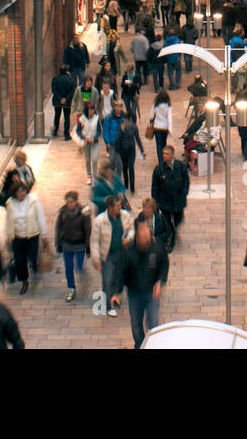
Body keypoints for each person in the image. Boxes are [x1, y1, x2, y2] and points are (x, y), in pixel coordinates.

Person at [120, 219, 169, 348]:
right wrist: (116, 291)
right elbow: (121, 272)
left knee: (153, 323)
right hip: (134, 293)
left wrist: (160, 282)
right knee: (136, 324)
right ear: (137, 234)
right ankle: (139, 345)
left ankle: (153, 345)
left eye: (147, 229)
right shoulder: (129, 252)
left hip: (151, 292)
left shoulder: (157, 246)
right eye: (142, 230)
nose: (146, 233)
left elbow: (164, 265)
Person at [90, 193, 134, 318]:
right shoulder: (100, 221)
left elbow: (132, 228)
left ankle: (115, 296)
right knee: (108, 279)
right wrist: (95, 258)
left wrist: (129, 238)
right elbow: (94, 241)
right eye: (118, 206)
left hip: (122, 252)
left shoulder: (125, 216)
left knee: (119, 278)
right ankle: (109, 305)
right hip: (107, 254)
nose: (120, 207)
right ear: (110, 208)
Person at [4, 182, 48, 295]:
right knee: (19, 260)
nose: (21, 193)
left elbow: (40, 217)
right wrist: (7, 235)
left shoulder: (33, 202)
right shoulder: (10, 204)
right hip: (18, 237)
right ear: (14, 193)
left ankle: (34, 264)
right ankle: (24, 281)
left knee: (32, 256)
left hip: (32, 235)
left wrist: (44, 234)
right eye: (19, 191)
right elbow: (8, 221)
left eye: (23, 190)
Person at [54, 191, 92, 302]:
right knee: (68, 268)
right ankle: (71, 288)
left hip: (79, 244)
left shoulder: (84, 212)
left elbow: (88, 230)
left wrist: (88, 247)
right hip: (67, 243)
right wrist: (58, 243)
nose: (69, 204)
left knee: (79, 266)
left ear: (76, 201)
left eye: (71, 202)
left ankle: (84, 276)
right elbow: (58, 228)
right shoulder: (63, 212)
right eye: (68, 202)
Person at [151, 145, 190, 250]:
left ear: (172, 155)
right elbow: (155, 186)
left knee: (178, 220)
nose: (164, 156)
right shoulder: (159, 169)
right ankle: (171, 240)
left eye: (167, 154)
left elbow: (186, 181)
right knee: (167, 223)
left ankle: (174, 231)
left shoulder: (180, 167)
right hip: (165, 202)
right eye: (163, 154)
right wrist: (155, 201)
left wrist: (184, 194)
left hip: (178, 201)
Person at [117, 108, 146, 194]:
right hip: (122, 150)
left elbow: (137, 138)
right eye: (124, 120)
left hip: (131, 150)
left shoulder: (133, 127)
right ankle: (126, 183)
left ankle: (132, 186)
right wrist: (121, 131)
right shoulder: (120, 126)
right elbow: (117, 139)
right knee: (124, 167)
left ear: (129, 120)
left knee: (130, 167)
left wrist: (142, 150)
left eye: (126, 120)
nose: (124, 121)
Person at [74, 106, 101, 187]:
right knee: (87, 159)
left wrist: (94, 138)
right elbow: (78, 130)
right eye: (90, 110)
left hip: (94, 141)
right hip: (86, 141)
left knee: (95, 158)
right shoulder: (82, 119)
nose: (92, 111)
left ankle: (95, 176)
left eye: (93, 110)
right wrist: (84, 137)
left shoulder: (97, 118)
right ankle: (89, 175)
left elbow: (99, 131)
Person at [51, 65, 76, 140]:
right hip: (67, 102)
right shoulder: (71, 79)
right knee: (67, 117)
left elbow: (54, 90)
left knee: (57, 116)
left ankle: (55, 131)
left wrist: (60, 98)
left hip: (57, 101)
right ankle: (66, 134)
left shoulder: (55, 79)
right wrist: (66, 98)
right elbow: (72, 90)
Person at [101, 98, 126, 168]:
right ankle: (112, 177)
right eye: (117, 106)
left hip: (121, 143)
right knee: (112, 161)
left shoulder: (125, 118)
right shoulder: (109, 117)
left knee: (120, 162)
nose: (118, 108)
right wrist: (107, 142)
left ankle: (117, 177)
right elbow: (105, 130)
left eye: (120, 106)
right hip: (112, 143)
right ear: (114, 107)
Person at [148, 88, 172, 157]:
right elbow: (169, 118)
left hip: (157, 127)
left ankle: (160, 160)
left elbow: (151, 116)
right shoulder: (168, 106)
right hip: (165, 128)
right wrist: (170, 129)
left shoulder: (155, 105)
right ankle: (164, 157)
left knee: (158, 145)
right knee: (164, 144)